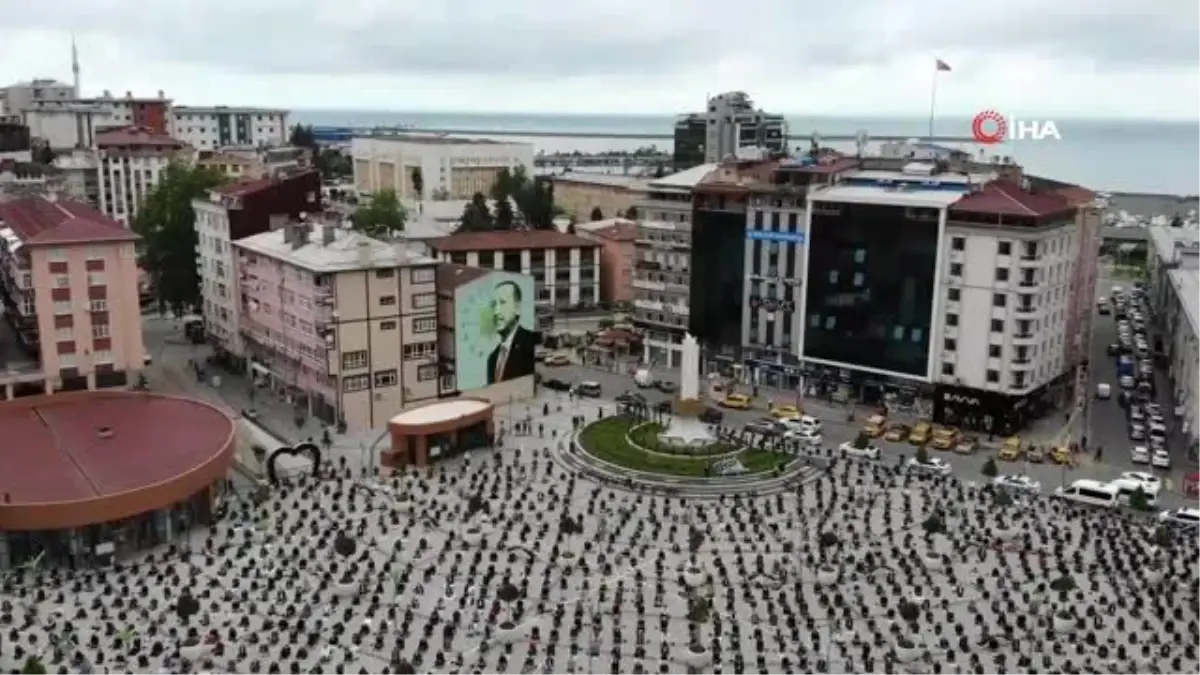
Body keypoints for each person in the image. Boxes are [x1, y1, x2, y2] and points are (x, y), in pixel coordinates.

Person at [486, 280, 536, 384]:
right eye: (493, 305)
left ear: (517, 308)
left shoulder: (530, 344)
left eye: (502, 302)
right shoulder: (492, 359)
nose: (496, 311)